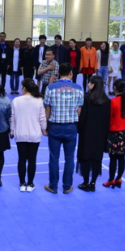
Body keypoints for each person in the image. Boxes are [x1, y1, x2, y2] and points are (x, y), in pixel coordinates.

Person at [43, 63, 84, 194]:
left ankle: (53, 186)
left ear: (59, 73)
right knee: (70, 158)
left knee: (54, 158)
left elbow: (47, 109)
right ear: (71, 73)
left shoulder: (50, 88)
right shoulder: (79, 88)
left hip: (55, 126)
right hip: (71, 126)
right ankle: (67, 186)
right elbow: (79, 110)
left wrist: (45, 126)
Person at [76, 76, 110, 192]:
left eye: (90, 83)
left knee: (85, 156)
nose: (88, 85)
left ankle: (85, 182)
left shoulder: (87, 98)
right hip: (101, 134)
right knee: (96, 158)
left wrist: (79, 129)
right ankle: (93, 182)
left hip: (87, 133)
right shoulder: (107, 101)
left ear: (94, 85)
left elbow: (82, 117)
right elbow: (107, 119)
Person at [103, 80, 125, 188]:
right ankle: (119, 178)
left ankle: (111, 179)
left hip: (115, 133)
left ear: (115, 88)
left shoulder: (112, 101)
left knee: (113, 158)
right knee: (122, 157)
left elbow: (109, 118)